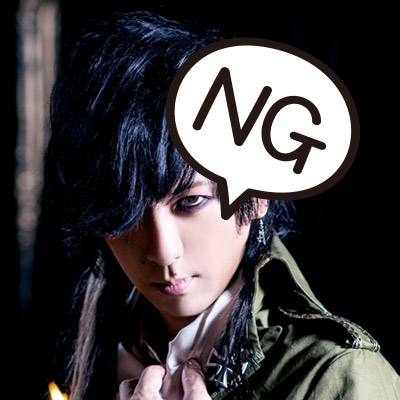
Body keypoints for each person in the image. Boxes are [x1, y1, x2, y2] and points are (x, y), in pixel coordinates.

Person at [45, 11, 400, 400]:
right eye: (123, 214)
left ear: (259, 194)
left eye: (191, 202)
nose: (163, 251)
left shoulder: (338, 377)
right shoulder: (82, 343)